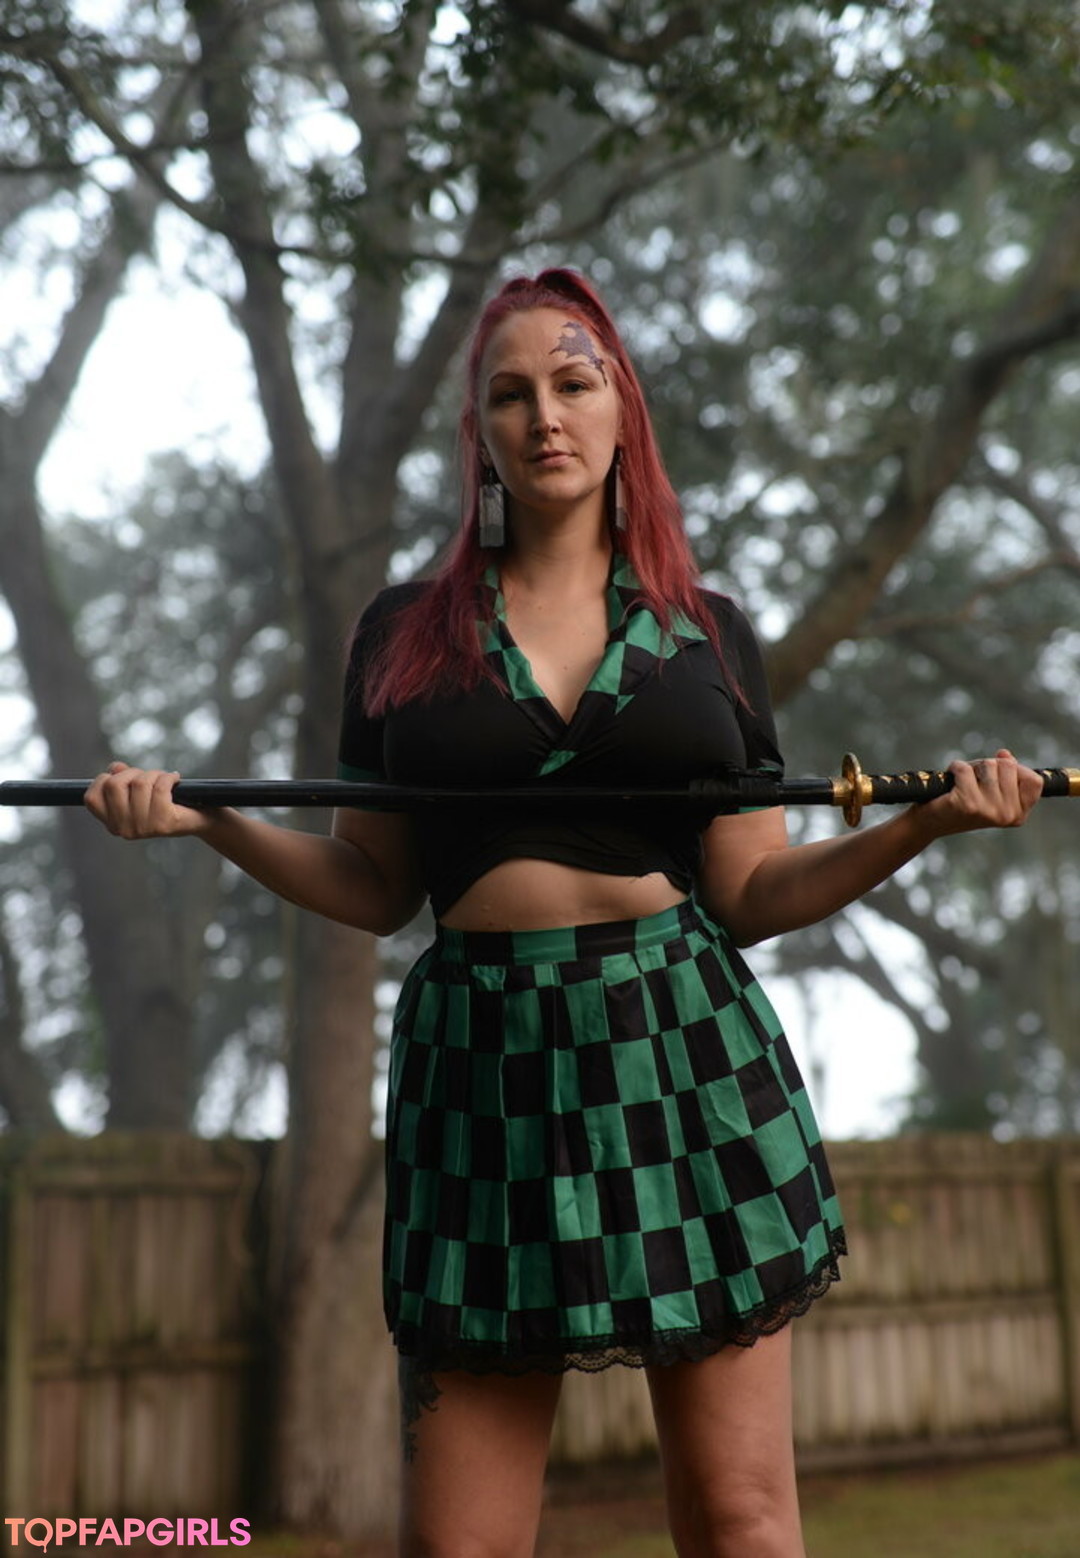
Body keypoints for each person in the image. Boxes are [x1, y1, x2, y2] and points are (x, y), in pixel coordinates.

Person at [85, 268, 1042, 1558]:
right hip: (483, 1068)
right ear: (477, 432)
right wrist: (208, 819)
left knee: (743, 1522)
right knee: (461, 1545)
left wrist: (922, 823)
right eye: (510, 394)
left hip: (682, 1050)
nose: (544, 415)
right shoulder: (402, 634)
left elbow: (753, 892)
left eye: (574, 383)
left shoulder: (708, 631)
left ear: (621, 409)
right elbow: (373, 886)